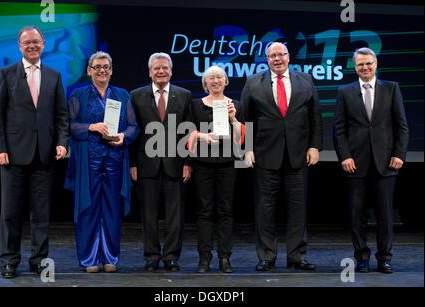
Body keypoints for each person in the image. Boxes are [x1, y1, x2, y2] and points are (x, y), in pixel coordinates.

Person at [0, 26, 69, 279]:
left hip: (44, 155)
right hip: (12, 155)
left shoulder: (54, 76)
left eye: (36, 41)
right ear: (19, 46)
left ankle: (39, 260)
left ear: (44, 44)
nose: (32, 46)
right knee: (11, 212)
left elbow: (61, 115)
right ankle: (9, 260)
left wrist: (62, 142)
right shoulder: (6, 74)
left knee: (41, 213)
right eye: (27, 43)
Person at [240, 42, 322, 272]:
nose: (277, 59)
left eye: (281, 54)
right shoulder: (253, 82)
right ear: (267, 59)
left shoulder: (305, 80)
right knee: (265, 209)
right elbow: (246, 119)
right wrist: (247, 149)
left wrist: (315, 146)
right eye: (272, 55)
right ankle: (267, 256)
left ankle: (297, 256)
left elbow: (315, 116)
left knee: (298, 209)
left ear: (289, 56)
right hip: (265, 156)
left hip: (298, 156)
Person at [333, 47, 409, 274]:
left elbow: (402, 126)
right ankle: (362, 258)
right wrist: (345, 156)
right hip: (355, 163)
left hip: (386, 162)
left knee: (385, 216)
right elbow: (339, 129)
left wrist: (399, 154)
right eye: (360, 65)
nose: (364, 68)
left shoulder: (392, 88)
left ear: (376, 64)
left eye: (368, 63)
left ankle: (384, 258)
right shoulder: (344, 91)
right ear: (355, 67)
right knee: (357, 216)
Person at [64, 51, 139, 273]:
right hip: (89, 161)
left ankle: (110, 257)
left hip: (115, 160)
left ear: (112, 70)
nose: (102, 70)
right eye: (97, 67)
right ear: (89, 70)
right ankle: (89, 259)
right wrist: (91, 127)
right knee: (88, 209)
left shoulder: (122, 95)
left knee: (112, 209)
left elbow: (134, 126)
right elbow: (69, 125)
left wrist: (124, 136)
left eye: (106, 66)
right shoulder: (79, 95)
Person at [130, 52, 193, 272]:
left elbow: (188, 131)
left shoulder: (184, 95)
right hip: (146, 164)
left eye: (165, 68)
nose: (161, 71)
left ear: (171, 71)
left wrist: (187, 162)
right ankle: (151, 256)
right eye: (156, 68)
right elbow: (133, 132)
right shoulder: (136, 95)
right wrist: (133, 164)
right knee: (149, 215)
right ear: (150, 72)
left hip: (176, 163)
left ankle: (172, 257)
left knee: (175, 215)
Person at [187, 65, 244, 273]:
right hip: (202, 164)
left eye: (219, 77)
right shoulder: (194, 105)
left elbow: (240, 141)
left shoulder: (235, 104)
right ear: (205, 83)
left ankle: (225, 258)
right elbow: (186, 134)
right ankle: (204, 258)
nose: (215, 80)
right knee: (204, 211)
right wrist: (203, 137)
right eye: (211, 78)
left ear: (226, 81)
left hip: (227, 164)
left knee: (225, 211)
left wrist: (233, 119)